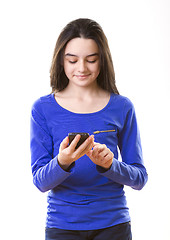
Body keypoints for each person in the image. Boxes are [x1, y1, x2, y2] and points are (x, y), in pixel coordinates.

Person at [30, 18, 148, 240]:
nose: (82, 68)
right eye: (72, 60)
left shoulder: (122, 107)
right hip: (62, 227)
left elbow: (139, 178)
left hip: (113, 226)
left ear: (102, 61)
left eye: (91, 60)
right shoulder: (43, 109)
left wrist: (110, 165)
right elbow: (40, 181)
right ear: (61, 62)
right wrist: (62, 162)